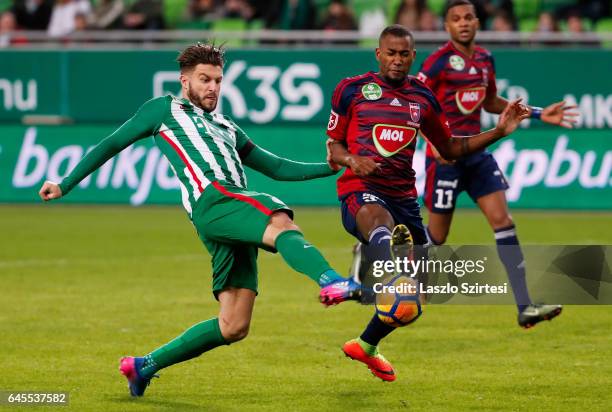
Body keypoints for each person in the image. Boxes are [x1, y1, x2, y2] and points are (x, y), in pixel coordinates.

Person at [38, 43, 350, 397]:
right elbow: (111, 144)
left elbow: (276, 167)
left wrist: (332, 167)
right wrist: (65, 184)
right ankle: (332, 281)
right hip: (214, 200)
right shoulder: (163, 109)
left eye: (218, 80)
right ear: (184, 80)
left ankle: (143, 366)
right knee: (279, 221)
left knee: (233, 325)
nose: (213, 87)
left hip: (230, 211)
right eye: (204, 79)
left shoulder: (226, 126)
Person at [320, 24, 531, 381]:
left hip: (405, 198)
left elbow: (449, 149)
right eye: (391, 53)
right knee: (379, 223)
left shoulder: (423, 98)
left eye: (404, 54)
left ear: (412, 56)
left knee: (410, 307)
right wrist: (352, 160)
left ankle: (366, 345)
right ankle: (382, 276)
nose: (397, 61)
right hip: (360, 190)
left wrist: (497, 131)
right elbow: (334, 147)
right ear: (378, 54)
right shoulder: (351, 89)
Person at [416, 0, 577, 328]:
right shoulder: (436, 63)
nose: (463, 23)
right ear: (446, 27)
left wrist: (535, 111)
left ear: (477, 22)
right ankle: (397, 269)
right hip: (446, 157)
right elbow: (414, 105)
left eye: (469, 17)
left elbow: (491, 101)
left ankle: (525, 306)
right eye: (456, 19)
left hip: (476, 153)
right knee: (437, 237)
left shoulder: (486, 59)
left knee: (503, 221)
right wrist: (432, 143)